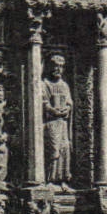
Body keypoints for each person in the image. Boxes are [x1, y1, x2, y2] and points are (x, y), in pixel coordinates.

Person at [44, 54, 73, 182]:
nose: (58, 69)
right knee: (54, 149)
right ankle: (50, 179)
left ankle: (61, 179)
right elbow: (43, 103)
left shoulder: (65, 85)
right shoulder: (44, 84)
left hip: (62, 123)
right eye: (55, 66)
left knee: (65, 148)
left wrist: (67, 108)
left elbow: (69, 102)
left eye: (61, 67)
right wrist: (53, 110)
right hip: (50, 122)